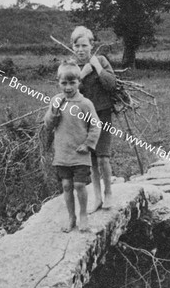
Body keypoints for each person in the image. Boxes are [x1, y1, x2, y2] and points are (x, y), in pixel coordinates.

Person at [44, 61, 100, 232]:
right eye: (64, 83)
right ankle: (71, 217)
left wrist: (88, 144)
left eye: (72, 83)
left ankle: (83, 214)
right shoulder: (56, 101)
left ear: (79, 82)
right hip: (63, 153)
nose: (68, 87)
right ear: (58, 82)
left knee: (79, 185)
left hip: (80, 153)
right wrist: (54, 112)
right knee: (67, 185)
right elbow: (48, 124)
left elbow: (96, 125)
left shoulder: (85, 103)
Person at [70, 26, 116, 210]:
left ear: (91, 45)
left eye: (84, 45)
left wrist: (96, 66)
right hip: (83, 119)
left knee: (103, 157)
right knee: (91, 158)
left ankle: (108, 193)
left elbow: (111, 84)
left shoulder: (101, 60)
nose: (80, 49)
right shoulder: (71, 66)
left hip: (103, 114)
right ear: (72, 47)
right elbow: (69, 92)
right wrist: (82, 74)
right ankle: (96, 196)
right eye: (76, 45)